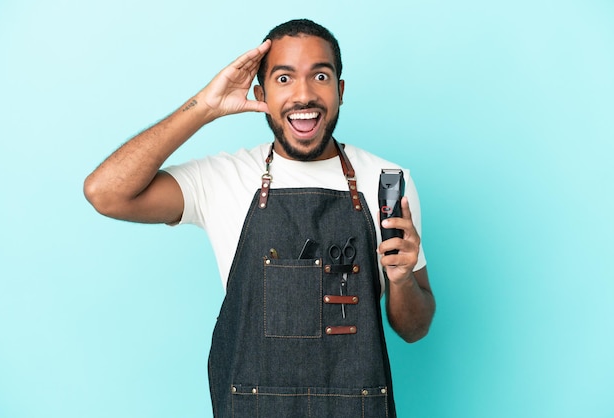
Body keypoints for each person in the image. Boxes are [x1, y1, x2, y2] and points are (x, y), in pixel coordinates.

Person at [84, 18, 435, 418]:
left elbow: (414, 328)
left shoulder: (388, 182)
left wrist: (403, 278)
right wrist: (206, 106)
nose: (304, 94)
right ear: (259, 93)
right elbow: (105, 192)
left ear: (339, 91)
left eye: (320, 76)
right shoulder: (222, 179)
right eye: (283, 79)